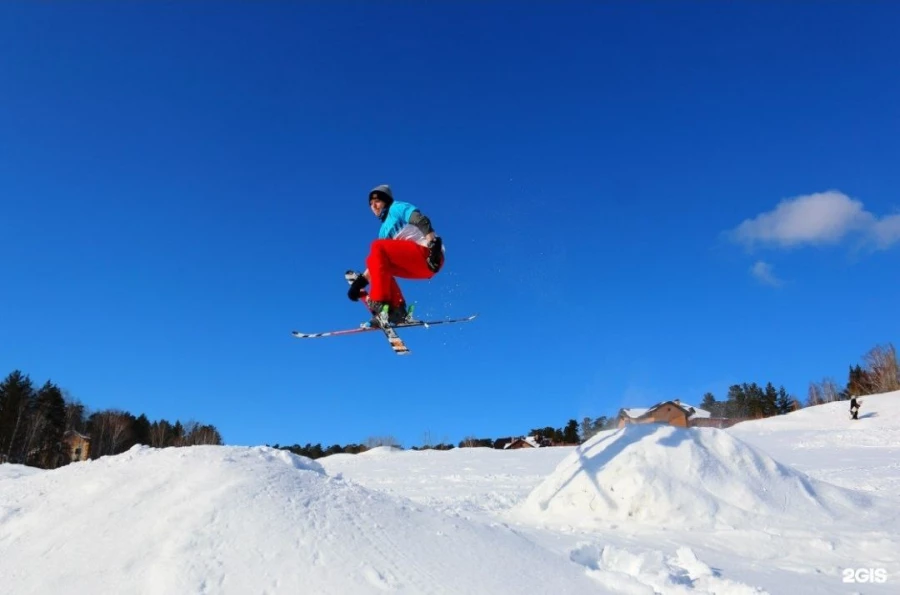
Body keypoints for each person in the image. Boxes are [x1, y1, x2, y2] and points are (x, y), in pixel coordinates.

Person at [347, 184, 444, 327]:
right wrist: (359, 284)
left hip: (430, 256)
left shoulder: (396, 208)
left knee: (377, 247)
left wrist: (433, 245)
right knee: (377, 261)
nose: (374, 206)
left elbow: (421, 220)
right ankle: (398, 311)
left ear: (386, 201)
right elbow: (377, 265)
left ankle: (379, 304)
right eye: (371, 204)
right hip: (417, 267)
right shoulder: (383, 232)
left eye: (377, 202)